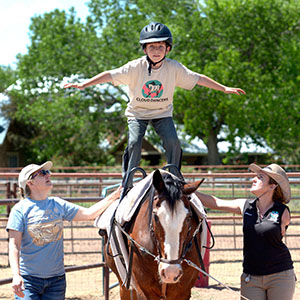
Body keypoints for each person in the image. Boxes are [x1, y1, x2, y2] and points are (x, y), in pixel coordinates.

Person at [64, 22, 246, 186]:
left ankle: (175, 178)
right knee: (135, 142)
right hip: (138, 113)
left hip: (162, 113)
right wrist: (84, 83)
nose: (156, 51)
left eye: (160, 46)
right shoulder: (134, 67)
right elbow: (109, 75)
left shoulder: (174, 68)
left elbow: (199, 78)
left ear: (168, 49)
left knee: (173, 141)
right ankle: (127, 182)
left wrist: (223, 88)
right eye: (152, 47)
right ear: (144, 49)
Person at [6, 161, 121, 300]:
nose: (49, 174)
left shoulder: (58, 204)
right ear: (30, 182)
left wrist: (115, 195)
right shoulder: (19, 210)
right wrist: (16, 275)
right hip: (29, 281)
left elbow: (89, 213)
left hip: (56, 280)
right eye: (42, 173)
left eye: (47, 172)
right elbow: (14, 245)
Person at [196, 163, 295, 300]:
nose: (254, 179)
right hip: (251, 277)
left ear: (272, 186)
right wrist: (188, 190)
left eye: (260, 177)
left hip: (280, 275)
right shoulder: (246, 206)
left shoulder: (282, 212)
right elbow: (216, 203)